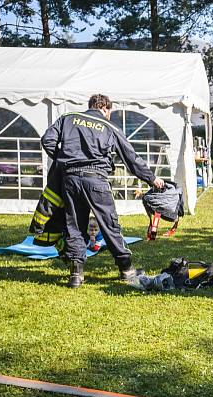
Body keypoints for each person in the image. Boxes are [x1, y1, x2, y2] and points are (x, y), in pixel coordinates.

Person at [41, 93, 164, 288]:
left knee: (74, 226)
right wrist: (152, 178)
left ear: (90, 106)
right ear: (106, 109)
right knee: (109, 224)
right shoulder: (110, 126)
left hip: (70, 179)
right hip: (96, 179)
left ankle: (76, 275)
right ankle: (126, 270)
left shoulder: (68, 118)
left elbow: (47, 140)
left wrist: (64, 159)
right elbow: (130, 158)